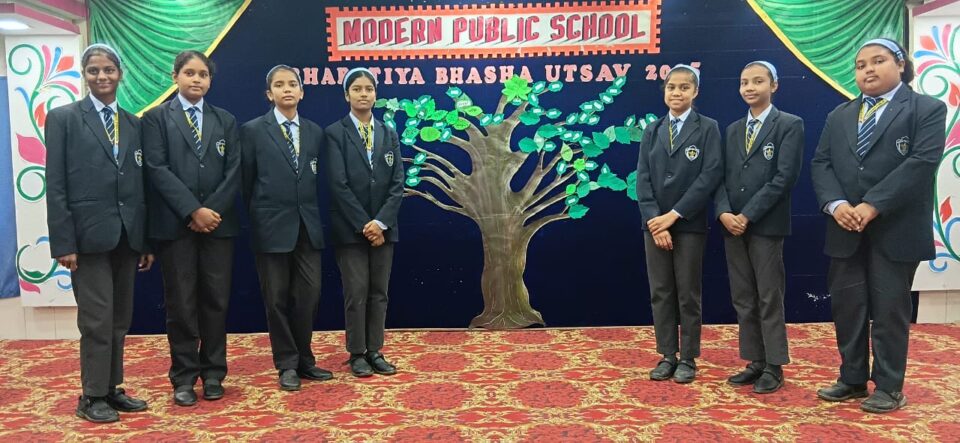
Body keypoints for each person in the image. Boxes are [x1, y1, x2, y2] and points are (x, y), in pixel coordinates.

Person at [811, 38, 946, 413]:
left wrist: (873, 205)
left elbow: (921, 162)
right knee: (848, 308)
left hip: (896, 229)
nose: (867, 69)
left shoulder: (926, 109)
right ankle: (852, 378)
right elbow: (821, 163)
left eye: (878, 61)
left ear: (900, 64)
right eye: (860, 65)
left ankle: (889, 386)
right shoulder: (839, 115)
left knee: (889, 310)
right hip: (845, 228)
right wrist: (837, 205)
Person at [45, 43, 152, 422]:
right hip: (86, 239)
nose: (102, 76)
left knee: (119, 318)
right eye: (94, 70)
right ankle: (91, 396)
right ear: (84, 75)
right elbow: (56, 184)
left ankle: (111, 388)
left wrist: (144, 240)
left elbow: (139, 185)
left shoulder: (134, 123)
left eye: (109, 69)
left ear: (120, 74)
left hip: (127, 236)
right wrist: (64, 242)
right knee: (96, 318)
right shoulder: (64, 119)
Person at [142, 50, 241, 406]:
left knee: (216, 301)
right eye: (189, 73)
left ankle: (213, 374)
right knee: (181, 304)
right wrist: (193, 210)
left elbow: (234, 170)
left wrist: (210, 211)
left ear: (210, 80)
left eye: (203, 74)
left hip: (218, 226)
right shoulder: (156, 119)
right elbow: (157, 168)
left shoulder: (225, 120)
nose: (196, 79)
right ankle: (183, 377)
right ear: (175, 77)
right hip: (176, 227)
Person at [241, 65, 331, 390]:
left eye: (292, 84)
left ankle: (305, 358)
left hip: (307, 226)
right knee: (276, 299)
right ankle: (287, 364)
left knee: (309, 295)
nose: (287, 89)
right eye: (279, 85)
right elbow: (246, 182)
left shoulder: (314, 131)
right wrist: (261, 216)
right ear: (270, 94)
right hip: (270, 227)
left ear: (302, 92)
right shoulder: (252, 131)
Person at [716, 61, 804, 394]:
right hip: (732, 226)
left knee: (768, 296)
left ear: (774, 85)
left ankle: (774, 365)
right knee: (743, 297)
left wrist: (747, 215)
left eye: (757, 81)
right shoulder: (733, 129)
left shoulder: (789, 125)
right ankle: (755, 360)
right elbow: (718, 176)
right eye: (744, 82)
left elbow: (784, 178)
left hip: (765, 225)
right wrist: (724, 212)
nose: (750, 87)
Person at [636, 64, 722, 384]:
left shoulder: (708, 127)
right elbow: (643, 178)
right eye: (671, 87)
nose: (677, 92)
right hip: (654, 226)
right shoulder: (652, 130)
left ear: (695, 92)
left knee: (688, 293)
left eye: (684, 87)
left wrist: (674, 215)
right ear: (665, 91)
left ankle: (687, 358)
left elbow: (710, 175)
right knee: (661, 291)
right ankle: (667, 355)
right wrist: (655, 222)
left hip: (688, 224)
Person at [323, 68, 404, 377]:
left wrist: (381, 223)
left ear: (375, 94)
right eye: (356, 89)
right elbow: (338, 185)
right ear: (347, 95)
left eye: (368, 89)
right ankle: (357, 353)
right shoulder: (335, 132)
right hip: (350, 230)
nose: (363, 94)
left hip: (384, 230)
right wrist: (365, 225)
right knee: (356, 293)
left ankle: (375, 350)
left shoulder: (388, 132)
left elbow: (397, 182)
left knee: (379, 292)